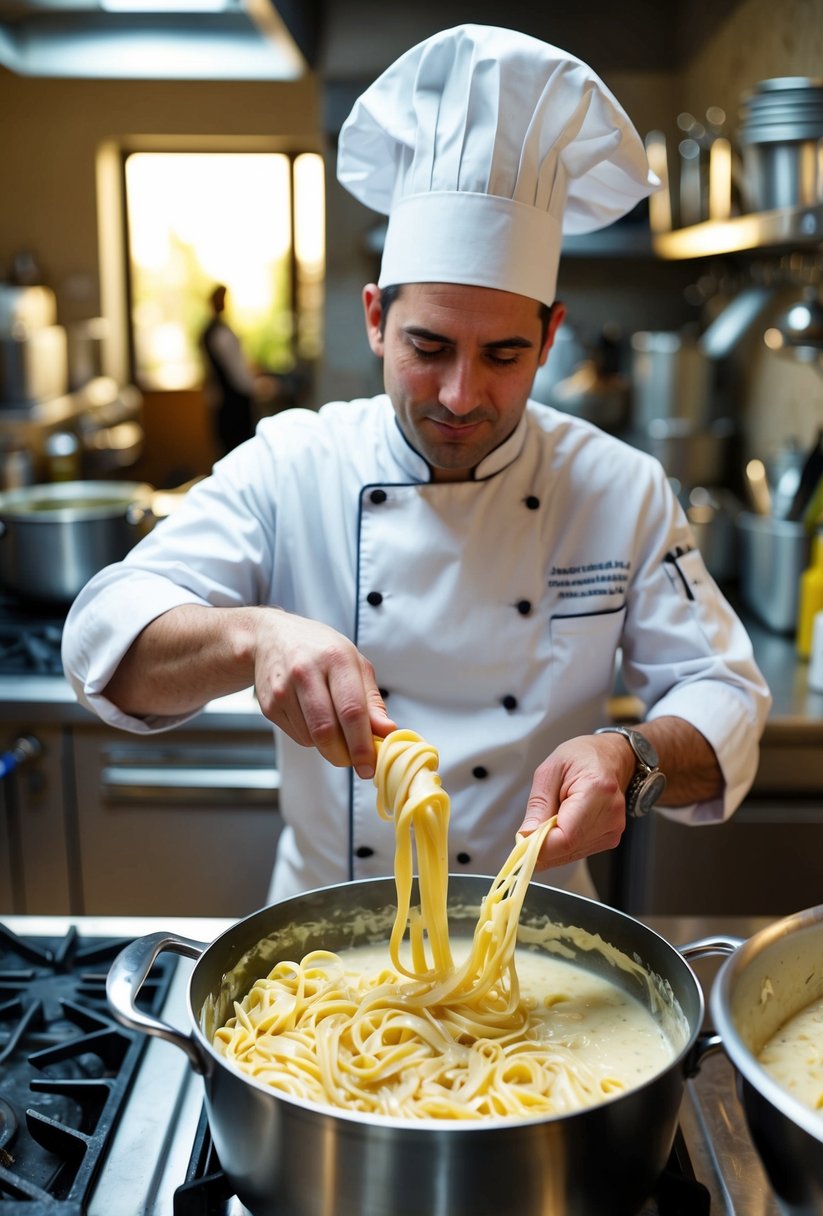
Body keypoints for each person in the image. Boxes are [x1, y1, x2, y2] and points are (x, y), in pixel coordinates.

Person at [62, 25, 770, 905]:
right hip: (320, 934)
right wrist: (256, 636)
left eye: (504, 355)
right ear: (373, 319)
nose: (461, 394)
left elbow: (726, 701)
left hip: (542, 939)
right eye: (426, 346)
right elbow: (104, 636)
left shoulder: (617, 487)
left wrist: (631, 762)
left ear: (550, 337)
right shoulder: (296, 461)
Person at [200, 284, 257, 455]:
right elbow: (236, 373)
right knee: (237, 450)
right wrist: (255, 387)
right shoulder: (220, 333)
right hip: (233, 402)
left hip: (223, 400)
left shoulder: (211, 332)